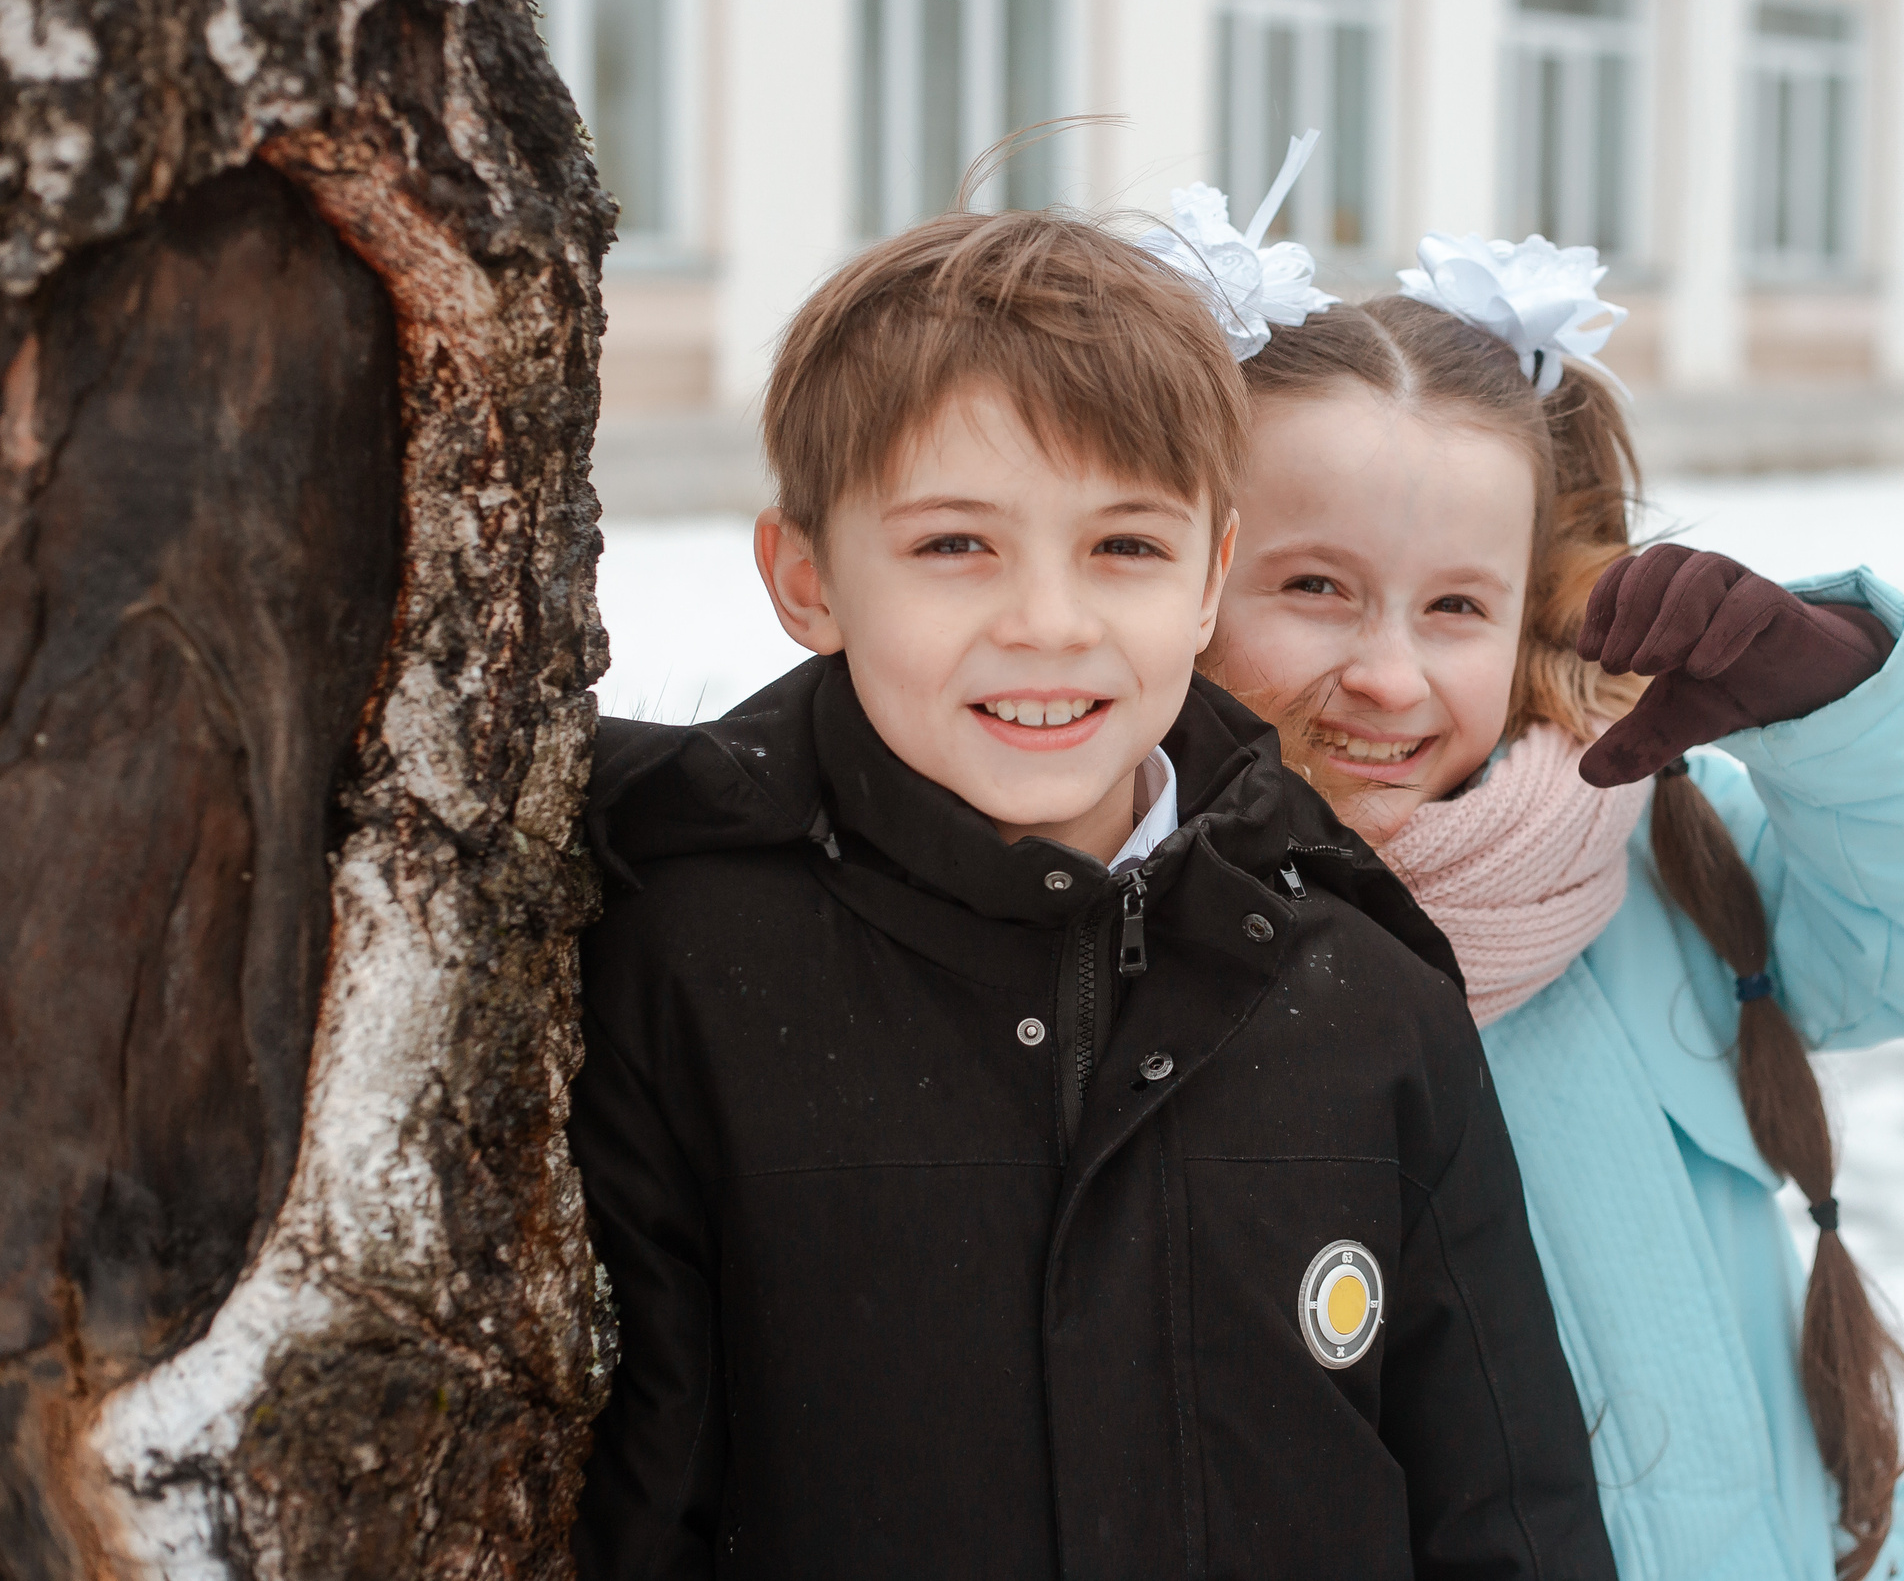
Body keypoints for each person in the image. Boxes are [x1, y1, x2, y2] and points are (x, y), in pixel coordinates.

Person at [567, 204, 1617, 1579]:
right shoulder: (689, 968)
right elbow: (643, 1509)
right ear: (809, 579)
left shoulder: (1363, 990)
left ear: (1208, 578)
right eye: (957, 546)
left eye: (1124, 547)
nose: (1049, 623)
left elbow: (1509, 1506)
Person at [1201, 230, 1904, 1581]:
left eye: (1458, 606)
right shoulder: (1149, 938)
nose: (1391, 676)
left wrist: (1838, 703)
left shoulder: (1637, 847)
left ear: (1536, 608)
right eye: (1316, 588)